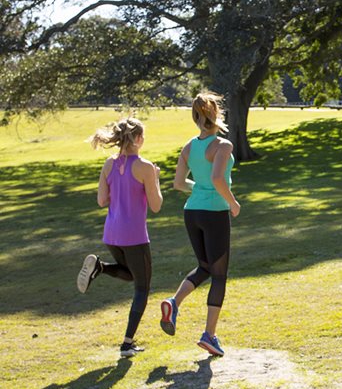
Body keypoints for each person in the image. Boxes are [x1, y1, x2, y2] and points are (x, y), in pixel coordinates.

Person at [160, 92, 241, 357]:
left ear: (195, 117)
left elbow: (178, 183)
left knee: (205, 267)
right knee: (219, 275)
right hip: (214, 212)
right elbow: (218, 178)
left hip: (192, 212)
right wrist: (233, 202)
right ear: (216, 113)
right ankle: (209, 335)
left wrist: (200, 188)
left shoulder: (188, 147)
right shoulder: (223, 145)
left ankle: (173, 303)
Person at [77, 117, 163, 358]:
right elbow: (156, 205)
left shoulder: (109, 164)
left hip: (111, 234)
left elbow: (101, 200)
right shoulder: (145, 167)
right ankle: (127, 344)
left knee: (131, 274)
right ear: (138, 139)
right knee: (142, 287)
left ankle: (100, 267)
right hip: (134, 236)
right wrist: (155, 178)